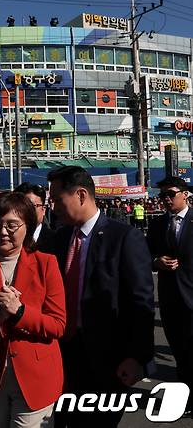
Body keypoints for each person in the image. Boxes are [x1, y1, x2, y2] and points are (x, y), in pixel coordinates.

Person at [48, 166, 154, 428]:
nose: (54, 208)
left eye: (58, 200)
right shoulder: (59, 239)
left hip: (109, 359)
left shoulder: (124, 237)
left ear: (81, 195)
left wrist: (137, 356)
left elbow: (140, 301)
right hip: (63, 354)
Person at [0, 192, 65, 427]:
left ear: (27, 226)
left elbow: (57, 325)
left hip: (36, 377)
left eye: (12, 224)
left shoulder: (46, 263)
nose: (3, 231)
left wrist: (20, 312)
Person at [147, 176, 193, 414]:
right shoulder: (156, 225)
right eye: (162, 195)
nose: (165, 199)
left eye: (170, 194)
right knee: (180, 353)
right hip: (169, 299)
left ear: (185, 194)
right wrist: (157, 261)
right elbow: (144, 255)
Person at [15, 182, 57, 255]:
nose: (26, 211)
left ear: (43, 210)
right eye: (21, 206)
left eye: (32, 206)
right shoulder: (5, 239)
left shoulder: (57, 240)